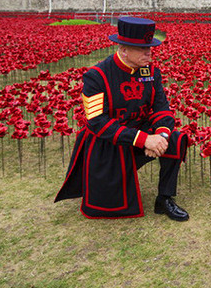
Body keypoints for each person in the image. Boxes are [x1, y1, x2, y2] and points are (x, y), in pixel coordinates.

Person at [55, 16, 189, 220]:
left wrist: (160, 136)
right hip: (108, 142)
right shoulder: (97, 75)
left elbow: (161, 109)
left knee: (175, 140)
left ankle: (165, 199)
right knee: (109, 204)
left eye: (150, 48)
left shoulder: (151, 72)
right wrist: (144, 139)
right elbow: (97, 122)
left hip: (143, 133)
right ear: (123, 49)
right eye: (143, 49)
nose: (149, 53)